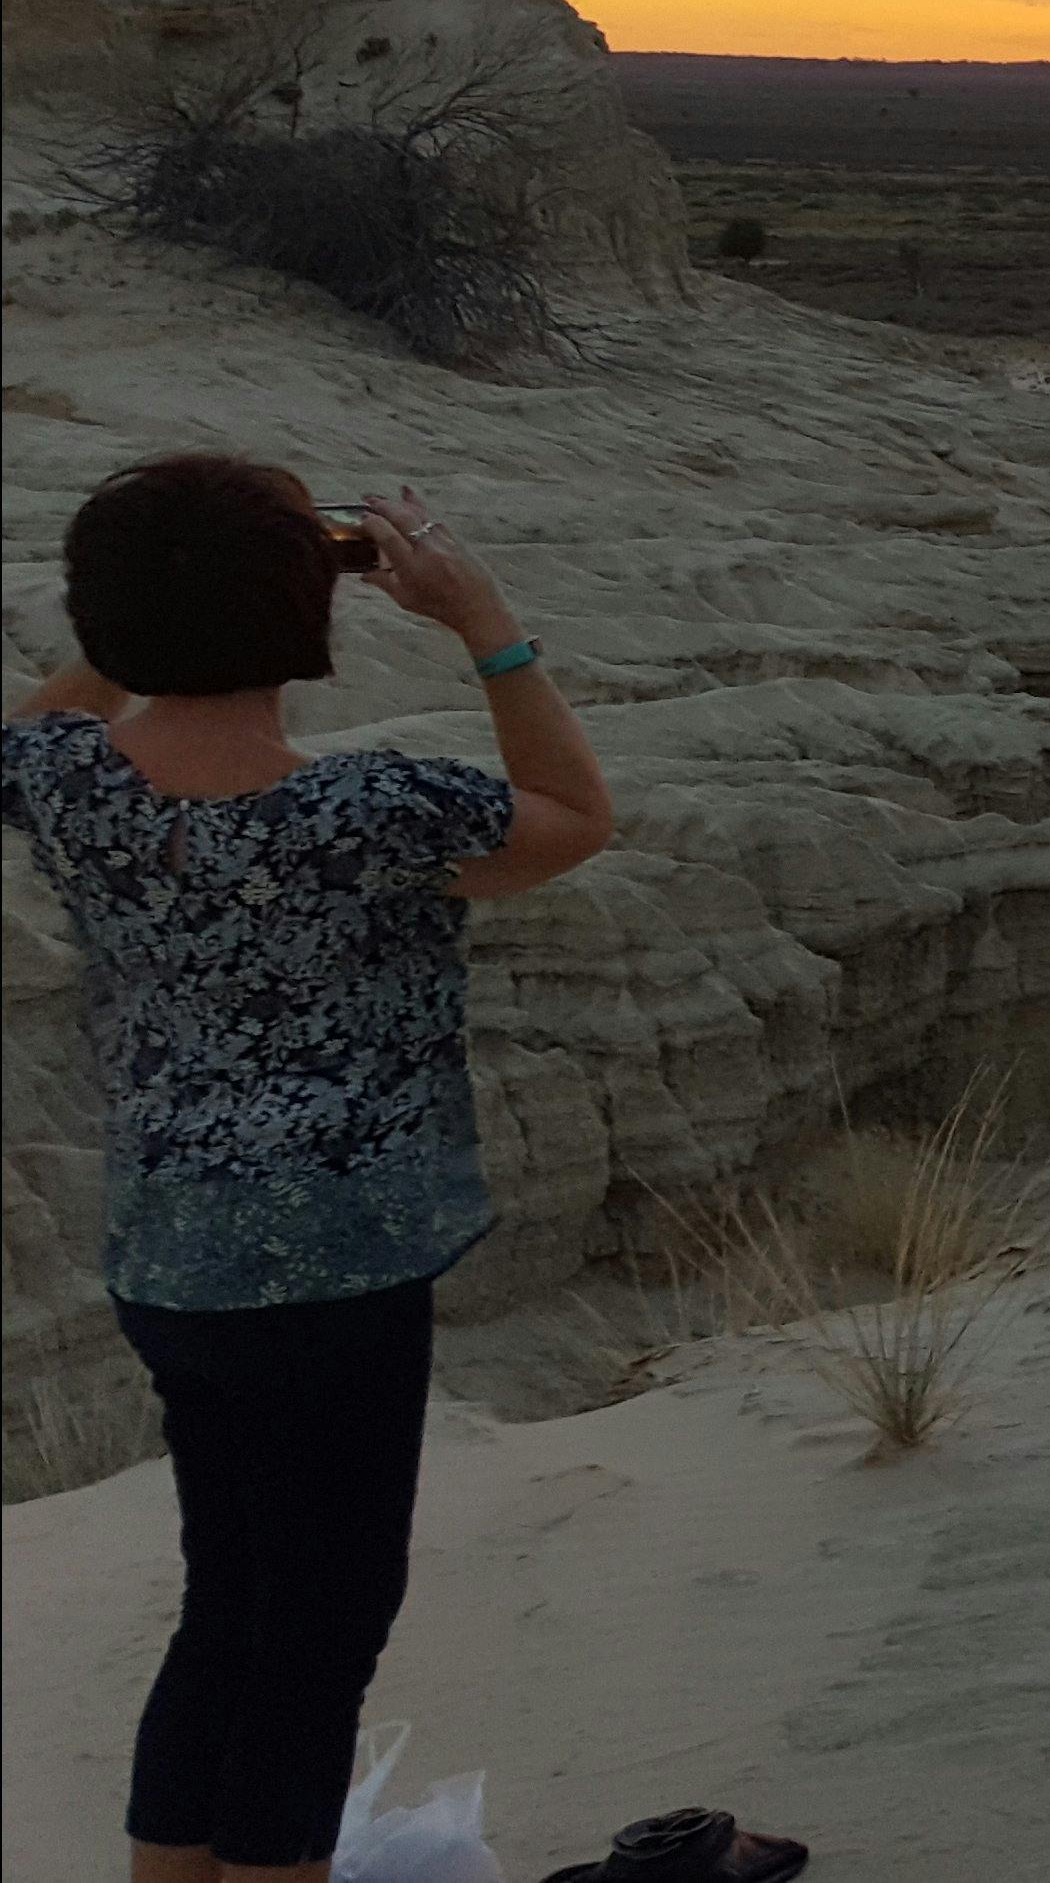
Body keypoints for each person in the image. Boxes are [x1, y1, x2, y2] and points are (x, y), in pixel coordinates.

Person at [5, 457, 614, 1883]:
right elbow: (573, 819)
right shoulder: (368, 812)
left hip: (171, 1255)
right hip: (338, 1270)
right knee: (322, 1635)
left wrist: (154, 617)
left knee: (228, 1603)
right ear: (304, 615)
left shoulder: (64, 783)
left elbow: (41, 721)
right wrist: (486, 626)